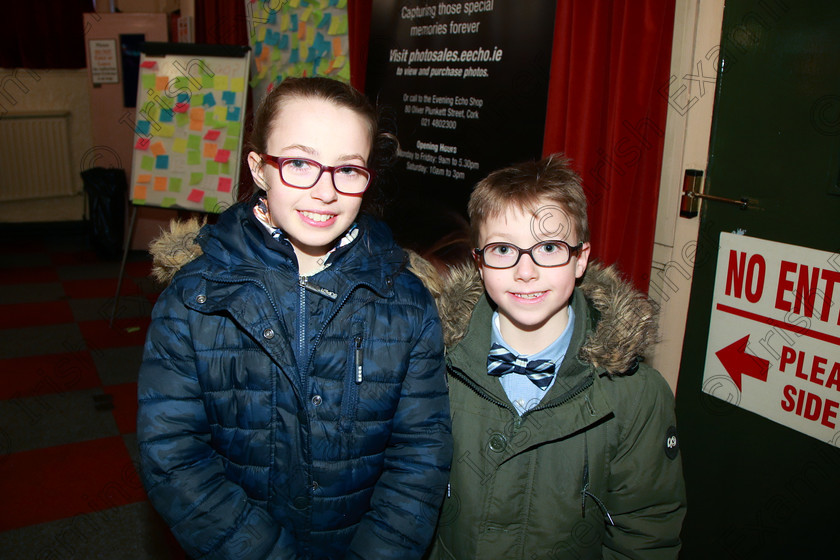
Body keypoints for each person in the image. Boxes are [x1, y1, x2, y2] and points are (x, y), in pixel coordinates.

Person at [137, 77, 453, 560]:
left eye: (347, 169)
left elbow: (421, 455)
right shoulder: (195, 297)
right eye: (300, 163)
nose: (325, 192)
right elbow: (173, 457)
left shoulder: (405, 299)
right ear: (259, 169)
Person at [420, 155, 686, 559]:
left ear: (580, 259)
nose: (525, 271)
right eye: (503, 249)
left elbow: (646, 531)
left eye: (548, 247)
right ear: (479, 263)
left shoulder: (636, 395)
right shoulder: (433, 366)